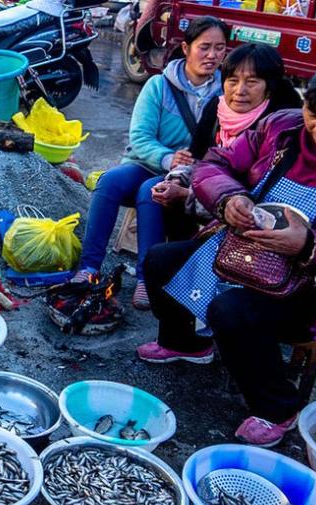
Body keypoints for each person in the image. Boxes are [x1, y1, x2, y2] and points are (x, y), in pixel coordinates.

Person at [139, 60, 316, 447]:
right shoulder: (280, 127)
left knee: (231, 311)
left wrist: (309, 244)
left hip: (312, 285)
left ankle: (278, 407)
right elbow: (215, 163)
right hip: (242, 248)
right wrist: (228, 197)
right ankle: (187, 345)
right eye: (313, 113)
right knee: (160, 261)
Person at [72, 17, 227, 308]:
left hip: (190, 173)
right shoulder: (158, 85)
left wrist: (188, 166)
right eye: (204, 47)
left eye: (219, 48)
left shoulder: (225, 94)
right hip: (149, 161)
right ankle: (89, 267)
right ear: (186, 47)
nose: (212, 55)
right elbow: (140, 138)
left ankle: (145, 279)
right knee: (109, 182)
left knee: (150, 191)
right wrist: (168, 157)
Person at [135, 43, 303, 304]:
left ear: (270, 86)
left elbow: (258, 195)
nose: (240, 91)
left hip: (248, 217)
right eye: (233, 80)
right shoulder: (217, 108)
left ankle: (205, 281)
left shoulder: (280, 127)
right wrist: (177, 178)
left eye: (252, 82)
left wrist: (189, 195)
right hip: (211, 200)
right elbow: (197, 159)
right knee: (157, 191)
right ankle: (170, 278)